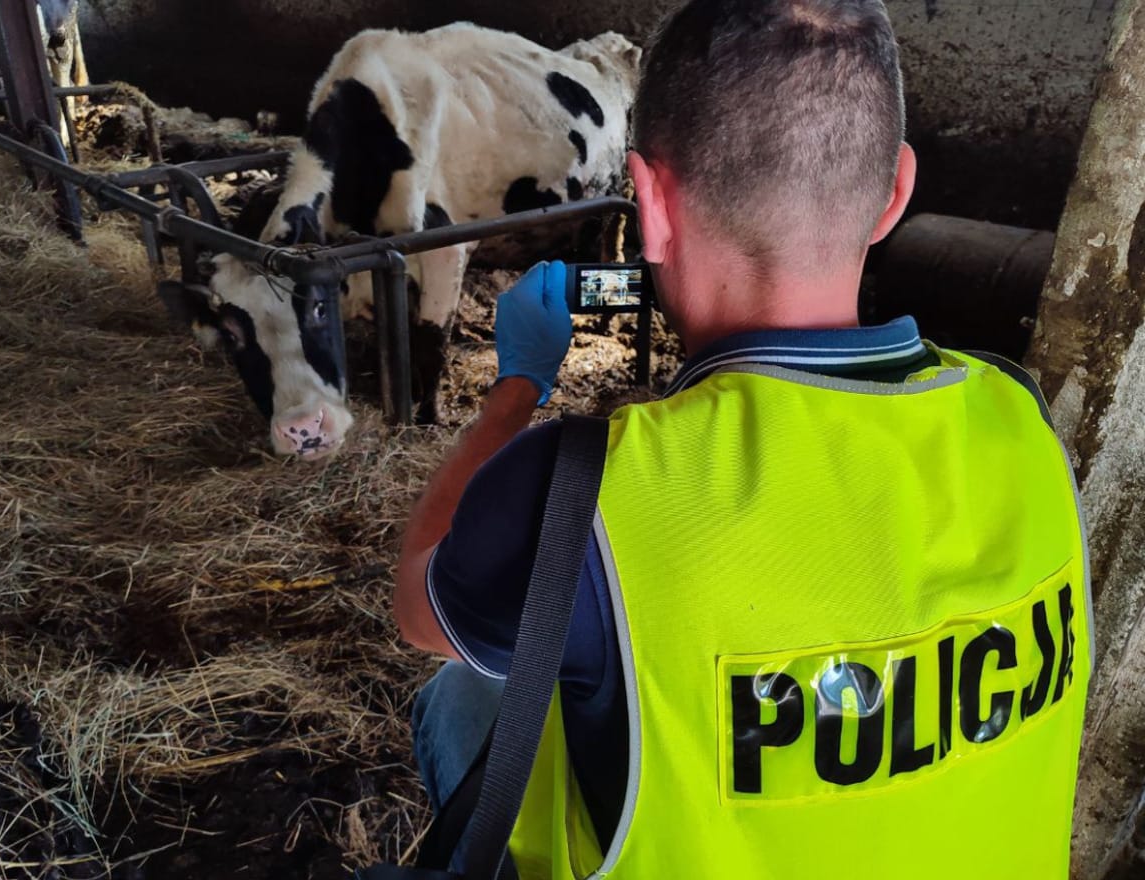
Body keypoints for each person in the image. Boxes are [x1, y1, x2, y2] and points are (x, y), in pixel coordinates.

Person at [394, 0, 1092, 876]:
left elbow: (416, 603)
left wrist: (515, 389)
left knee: (462, 693)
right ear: (896, 193)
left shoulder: (581, 495)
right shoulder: (1023, 420)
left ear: (650, 204)